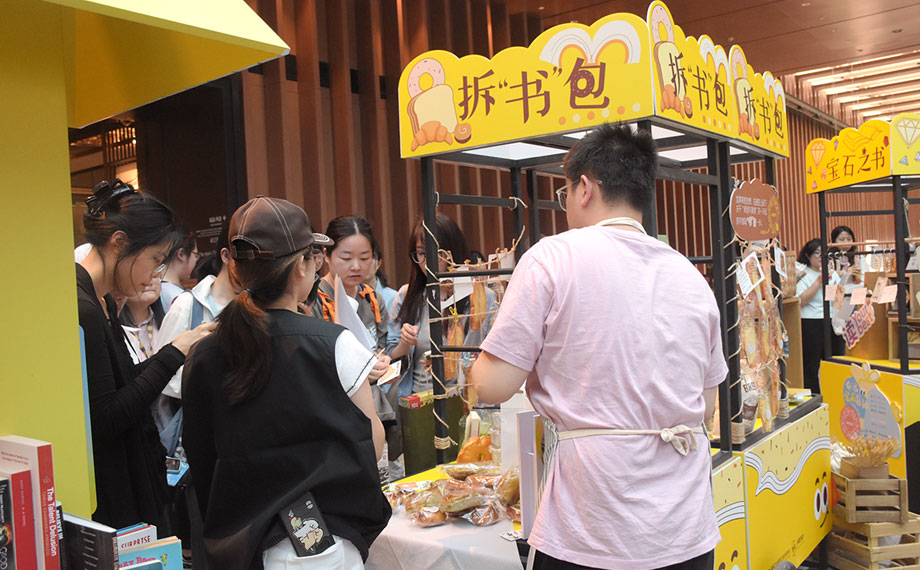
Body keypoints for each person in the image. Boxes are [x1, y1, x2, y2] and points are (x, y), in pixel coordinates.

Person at [469, 123, 724, 570]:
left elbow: (492, 386)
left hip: (593, 526)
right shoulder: (689, 275)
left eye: (565, 192)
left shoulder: (551, 257)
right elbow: (706, 407)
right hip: (686, 528)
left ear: (584, 188)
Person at [181, 196, 389, 570]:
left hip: (242, 548)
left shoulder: (203, 354)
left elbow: (203, 460)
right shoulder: (336, 344)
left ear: (236, 270)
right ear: (302, 267)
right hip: (327, 544)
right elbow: (371, 445)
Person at [76, 179, 214, 530]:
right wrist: (173, 354)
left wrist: (181, 348)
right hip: (113, 499)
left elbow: (122, 384)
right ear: (119, 242)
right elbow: (107, 417)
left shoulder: (101, 301)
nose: (156, 274)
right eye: (155, 259)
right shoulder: (83, 307)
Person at [387, 214, 497, 400]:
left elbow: (494, 355)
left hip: (466, 400)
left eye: (438, 253)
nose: (428, 261)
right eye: (421, 254)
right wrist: (405, 343)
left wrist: (451, 363)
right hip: (418, 400)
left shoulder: (482, 297)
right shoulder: (407, 295)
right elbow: (392, 357)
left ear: (453, 253)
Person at [796, 238, 838, 394]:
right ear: (808, 256)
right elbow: (800, 300)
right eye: (817, 253)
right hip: (810, 322)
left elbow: (837, 296)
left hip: (832, 320)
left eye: (824, 253)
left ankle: (833, 394)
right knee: (811, 364)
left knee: (834, 361)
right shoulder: (803, 273)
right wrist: (818, 282)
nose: (821, 257)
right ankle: (813, 396)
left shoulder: (832, 273)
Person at [119, 278, 166, 364]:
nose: (149, 282)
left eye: (154, 275)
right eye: (141, 275)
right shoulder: (114, 329)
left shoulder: (167, 323)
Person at [160, 228, 199, 311]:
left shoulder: (150, 290)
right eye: (195, 255)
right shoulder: (180, 298)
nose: (196, 260)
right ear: (181, 254)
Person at [364, 243, 398, 321]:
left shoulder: (393, 298)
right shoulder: (346, 298)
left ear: (378, 263)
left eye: (366, 258)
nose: (363, 265)